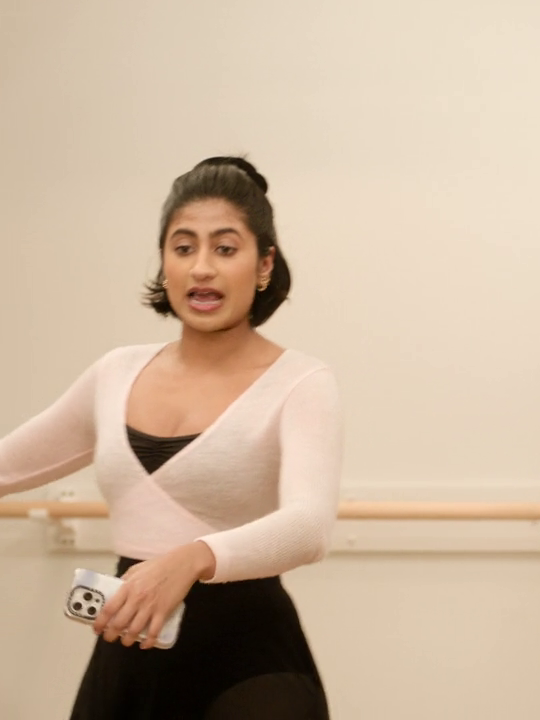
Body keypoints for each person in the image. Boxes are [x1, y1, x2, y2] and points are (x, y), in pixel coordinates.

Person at [0, 157, 342, 719]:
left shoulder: (302, 382)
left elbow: (310, 527)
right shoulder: (115, 373)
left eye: (225, 248)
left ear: (264, 264)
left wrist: (191, 559)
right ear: (164, 263)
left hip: (250, 665)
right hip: (128, 651)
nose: (201, 268)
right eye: (183, 248)